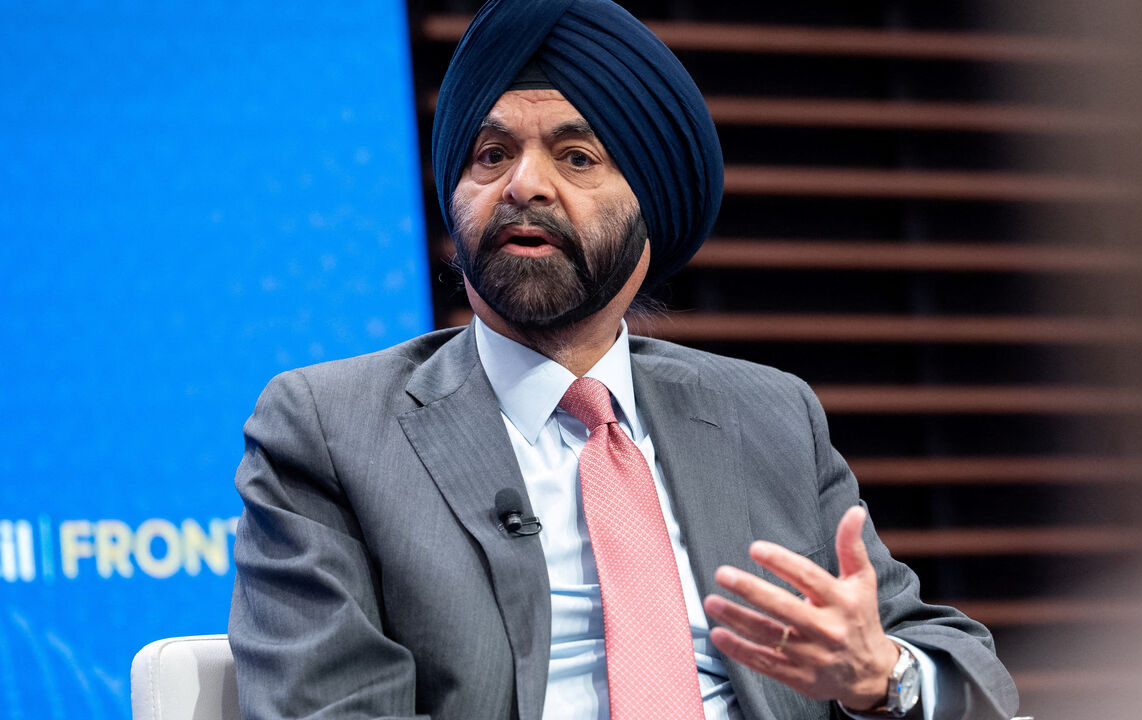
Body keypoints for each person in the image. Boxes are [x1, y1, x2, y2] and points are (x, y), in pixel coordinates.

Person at [228, 1, 1019, 719]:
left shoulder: (768, 414)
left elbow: (964, 672)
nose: (522, 186)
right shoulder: (331, 428)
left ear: (653, 208)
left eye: (576, 157)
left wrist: (884, 677)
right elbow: (330, 707)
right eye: (491, 153)